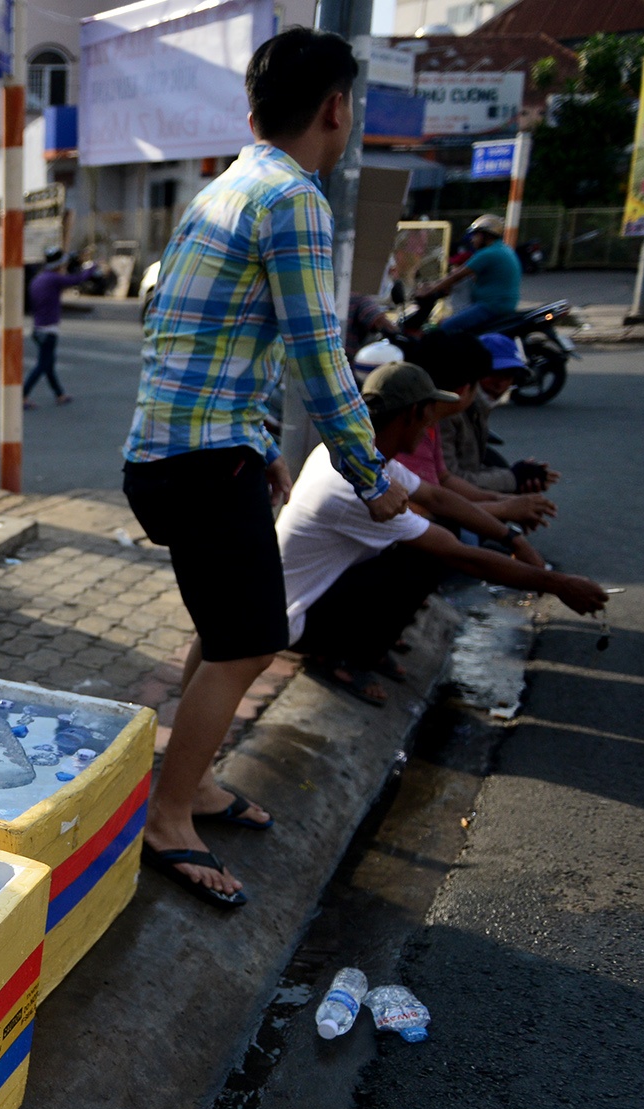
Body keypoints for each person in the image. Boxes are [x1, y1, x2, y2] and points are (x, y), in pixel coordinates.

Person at [121, 28, 410, 907]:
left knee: (226, 628)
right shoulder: (295, 198)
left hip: (176, 456)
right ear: (336, 108)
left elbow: (190, 335)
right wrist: (371, 475)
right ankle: (168, 819)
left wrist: (257, 442)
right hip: (206, 465)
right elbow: (319, 357)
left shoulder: (222, 190)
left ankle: (195, 781)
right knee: (252, 640)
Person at [280, 362, 605, 705]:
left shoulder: (359, 456)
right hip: (294, 619)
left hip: (310, 595)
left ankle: (367, 646)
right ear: (414, 413)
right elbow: (461, 556)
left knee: (434, 536)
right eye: (431, 413)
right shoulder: (355, 488)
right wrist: (558, 584)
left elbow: (436, 497)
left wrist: (513, 539)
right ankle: (341, 656)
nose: (433, 425)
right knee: (427, 553)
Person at [439, 333, 557, 495]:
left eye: (508, 376)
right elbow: (447, 481)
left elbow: (470, 470)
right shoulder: (448, 414)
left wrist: (521, 476)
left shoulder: (478, 410)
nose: (500, 383)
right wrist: (512, 478)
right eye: (494, 374)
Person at [22, 247, 100, 407]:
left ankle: (59, 394)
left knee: (48, 364)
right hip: (48, 329)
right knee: (43, 365)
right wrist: (92, 267)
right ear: (59, 265)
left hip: (38, 328)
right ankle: (23, 395)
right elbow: (77, 279)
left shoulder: (39, 279)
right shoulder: (53, 279)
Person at [418, 215, 522, 334]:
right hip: (503, 305)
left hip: (491, 306)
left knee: (446, 327)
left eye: (475, 235)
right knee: (446, 321)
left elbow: (457, 276)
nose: (472, 239)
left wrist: (430, 290)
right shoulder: (503, 249)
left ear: (486, 235)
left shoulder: (488, 253)